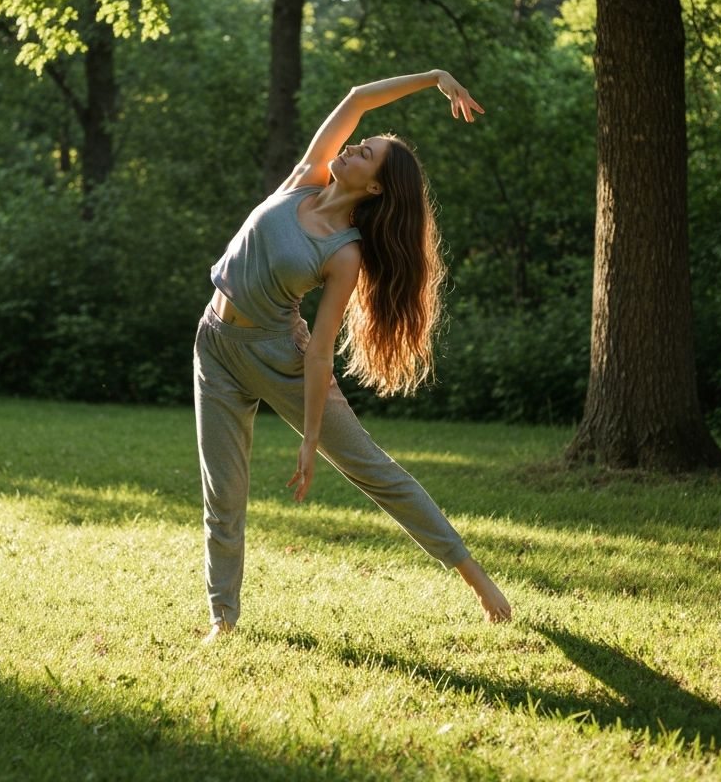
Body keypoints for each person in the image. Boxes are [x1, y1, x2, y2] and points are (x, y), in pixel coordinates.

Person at [194, 68, 512, 642]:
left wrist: (311, 438)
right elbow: (358, 99)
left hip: (280, 356)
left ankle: (476, 578)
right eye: (360, 143)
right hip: (214, 345)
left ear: (376, 189)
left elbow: (320, 353)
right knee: (224, 492)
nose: (353, 148)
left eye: (366, 154)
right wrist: (435, 78)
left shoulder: (345, 254)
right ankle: (224, 619)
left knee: (371, 469)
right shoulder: (304, 179)